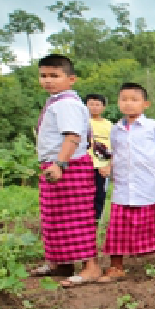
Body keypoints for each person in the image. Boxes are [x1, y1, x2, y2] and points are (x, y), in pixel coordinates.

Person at [92, 83, 155, 284]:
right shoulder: (116, 130)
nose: (128, 104)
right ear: (118, 103)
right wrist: (108, 167)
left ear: (145, 104)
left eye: (134, 99)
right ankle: (116, 267)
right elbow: (116, 154)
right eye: (124, 99)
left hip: (151, 188)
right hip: (123, 189)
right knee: (117, 228)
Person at [31, 54, 101, 285]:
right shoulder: (57, 101)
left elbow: (72, 136)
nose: (48, 80)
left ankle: (90, 267)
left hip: (68, 166)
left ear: (71, 79)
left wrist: (60, 164)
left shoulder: (66, 104)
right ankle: (60, 263)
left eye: (54, 76)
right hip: (57, 166)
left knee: (76, 218)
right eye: (44, 76)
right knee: (55, 217)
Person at [86, 93, 112, 223]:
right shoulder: (82, 122)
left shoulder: (109, 125)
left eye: (97, 104)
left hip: (102, 166)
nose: (94, 107)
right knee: (84, 194)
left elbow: (115, 147)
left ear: (103, 107)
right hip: (84, 165)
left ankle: (97, 221)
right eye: (91, 104)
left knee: (100, 194)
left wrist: (109, 166)